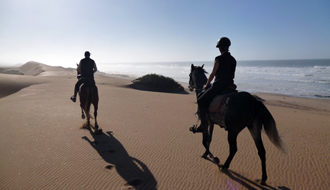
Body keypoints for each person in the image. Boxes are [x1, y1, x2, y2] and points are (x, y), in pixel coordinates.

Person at [191, 37, 237, 133]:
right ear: (228, 47)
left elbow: (212, 74)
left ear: (220, 48)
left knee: (200, 101)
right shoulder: (233, 60)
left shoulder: (218, 58)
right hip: (230, 86)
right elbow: (232, 75)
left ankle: (204, 125)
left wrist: (207, 85)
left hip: (219, 86)